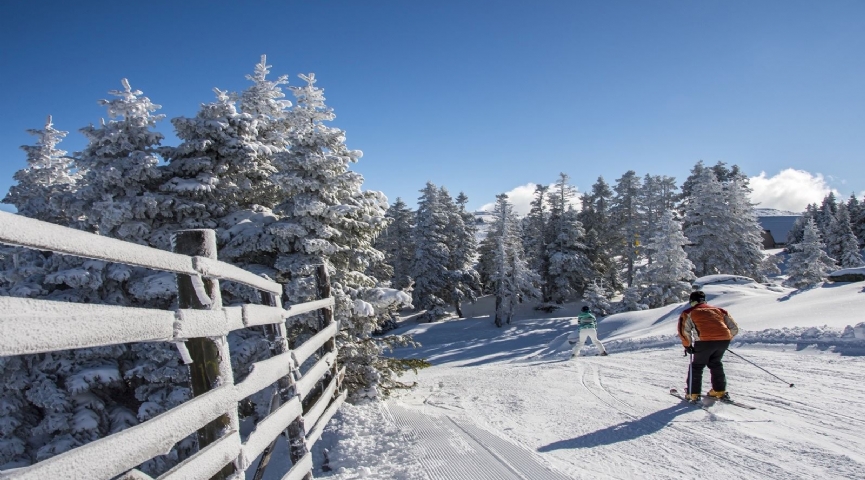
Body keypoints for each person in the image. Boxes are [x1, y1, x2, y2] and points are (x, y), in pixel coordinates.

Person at [677, 290, 739, 401]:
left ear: (692, 301)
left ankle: (693, 393)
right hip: (723, 340)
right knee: (715, 363)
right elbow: (734, 328)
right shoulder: (720, 310)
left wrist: (688, 345)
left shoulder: (689, 312)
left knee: (697, 366)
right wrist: (724, 339)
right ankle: (719, 391)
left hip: (704, 341)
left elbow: (684, 331)